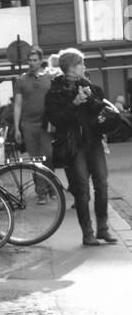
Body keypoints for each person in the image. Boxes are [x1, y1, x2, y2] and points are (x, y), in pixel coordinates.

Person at [43, 48, 117, 247]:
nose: (84, 67)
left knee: (102, 184)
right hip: (74, 147)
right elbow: (55, 119)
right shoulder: (55, 91)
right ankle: (88, 233)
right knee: (82, 190)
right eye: (81, 64)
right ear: (70, 67)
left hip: (94, 143)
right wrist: (74, 103)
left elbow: (99, 110)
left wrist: (92, 98)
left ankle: (103, 228)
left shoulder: (88, 85)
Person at [13, 49, 54, 178]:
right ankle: (41, 191)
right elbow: (17, 105)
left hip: (46, 123)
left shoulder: (50, 77)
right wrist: (16, 128)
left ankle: (52, 187)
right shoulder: (21, 80)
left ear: (41, 61)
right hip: (28, 124)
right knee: (35, 160)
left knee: (48, 155)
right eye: (29, 60)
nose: (31, 63)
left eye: (35, 60)